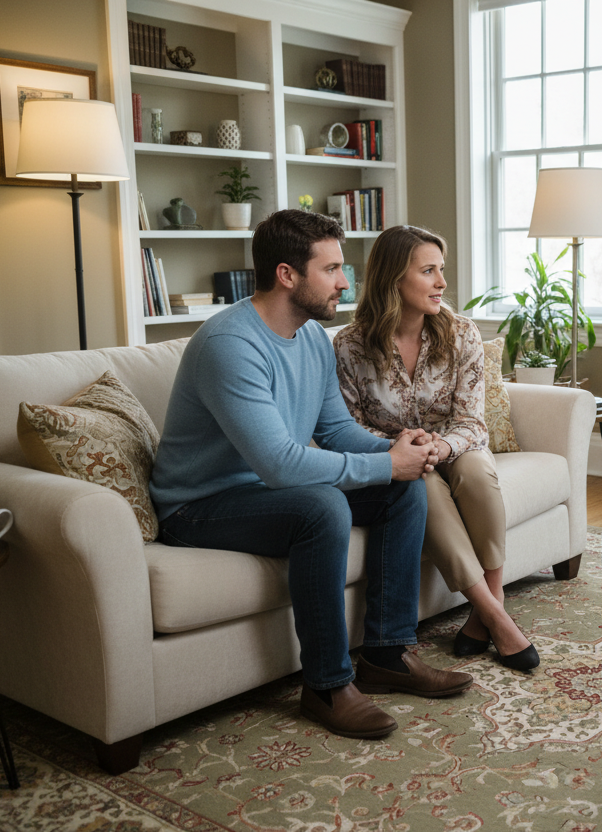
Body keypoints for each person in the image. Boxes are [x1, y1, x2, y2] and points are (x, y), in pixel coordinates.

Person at [150, 210, 473, 740]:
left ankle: (387, 654)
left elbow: (336, 429)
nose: (345, 282)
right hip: (198, 507)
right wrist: (385, 462)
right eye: (332, 269)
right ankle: (325, 685)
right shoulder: (230, 345)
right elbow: (279, 463)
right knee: (322, 506)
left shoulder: (310, 339)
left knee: (401, 490)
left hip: (261, 491)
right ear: (287, 275)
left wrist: (396, 452)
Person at [333, 226, 539, 671]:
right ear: (393, 279)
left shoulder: (462, 333)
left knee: (478, 474)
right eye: (429, 271)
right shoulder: (349, 346)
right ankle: (494, 616)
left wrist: (439, 446)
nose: (442, 283)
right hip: (396, 455)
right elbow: (348, 424)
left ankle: (492, 603)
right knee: (421, 487)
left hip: (457, 444)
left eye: (440, 270)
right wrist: (401, 448)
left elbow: (471, 419)